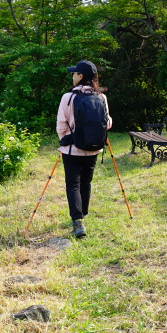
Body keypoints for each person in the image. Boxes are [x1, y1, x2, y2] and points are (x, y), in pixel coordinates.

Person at [57, 60, 112, 238]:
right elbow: (108, 122)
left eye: (74, 73)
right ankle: (83, 215)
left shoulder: (68, 97)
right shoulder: (101, 96)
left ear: (80, 76)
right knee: (86, 183)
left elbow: (61, 124)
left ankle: (78, 221)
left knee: (73, 184)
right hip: (94, 148)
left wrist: (65, 140)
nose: (72, 76)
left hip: (72, 150)